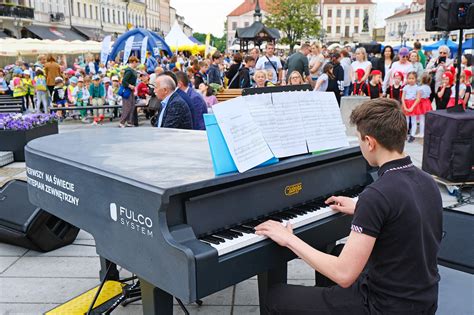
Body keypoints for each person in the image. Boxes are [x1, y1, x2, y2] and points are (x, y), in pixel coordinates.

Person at [257, 98, 442, 315]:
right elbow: (404, 216)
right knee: (338, 250)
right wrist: (360, 207)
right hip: (422, 300)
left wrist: (289, 239)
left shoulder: (377, 195)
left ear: (370, 142)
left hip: (383, 306)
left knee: (276, 297)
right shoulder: (426, 180)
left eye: (359, 140)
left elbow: (344, 275)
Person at [401, 71, 421, 143]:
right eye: (409, 78)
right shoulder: (405, 87)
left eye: (412, 78)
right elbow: (403, 98)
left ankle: (412, 135)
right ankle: (405, 134)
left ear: (415, 79)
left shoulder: (418, 88)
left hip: (413, 104)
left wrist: (412, 107)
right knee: (406, 120)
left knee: (413, 120)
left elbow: (418, 99)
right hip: (406, 104)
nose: (411, 80)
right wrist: (405, 106)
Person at [119, 56, 139, 128]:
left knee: (132, 106)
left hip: (130, 91)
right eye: (136, 62)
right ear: (133, 62)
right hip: (127, 90)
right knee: (127, 107)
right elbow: (124, 81)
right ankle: (122, 122)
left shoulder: (131, 70)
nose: (137, 64)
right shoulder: (129, 71)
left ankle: (129, 121)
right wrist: (130, 86)